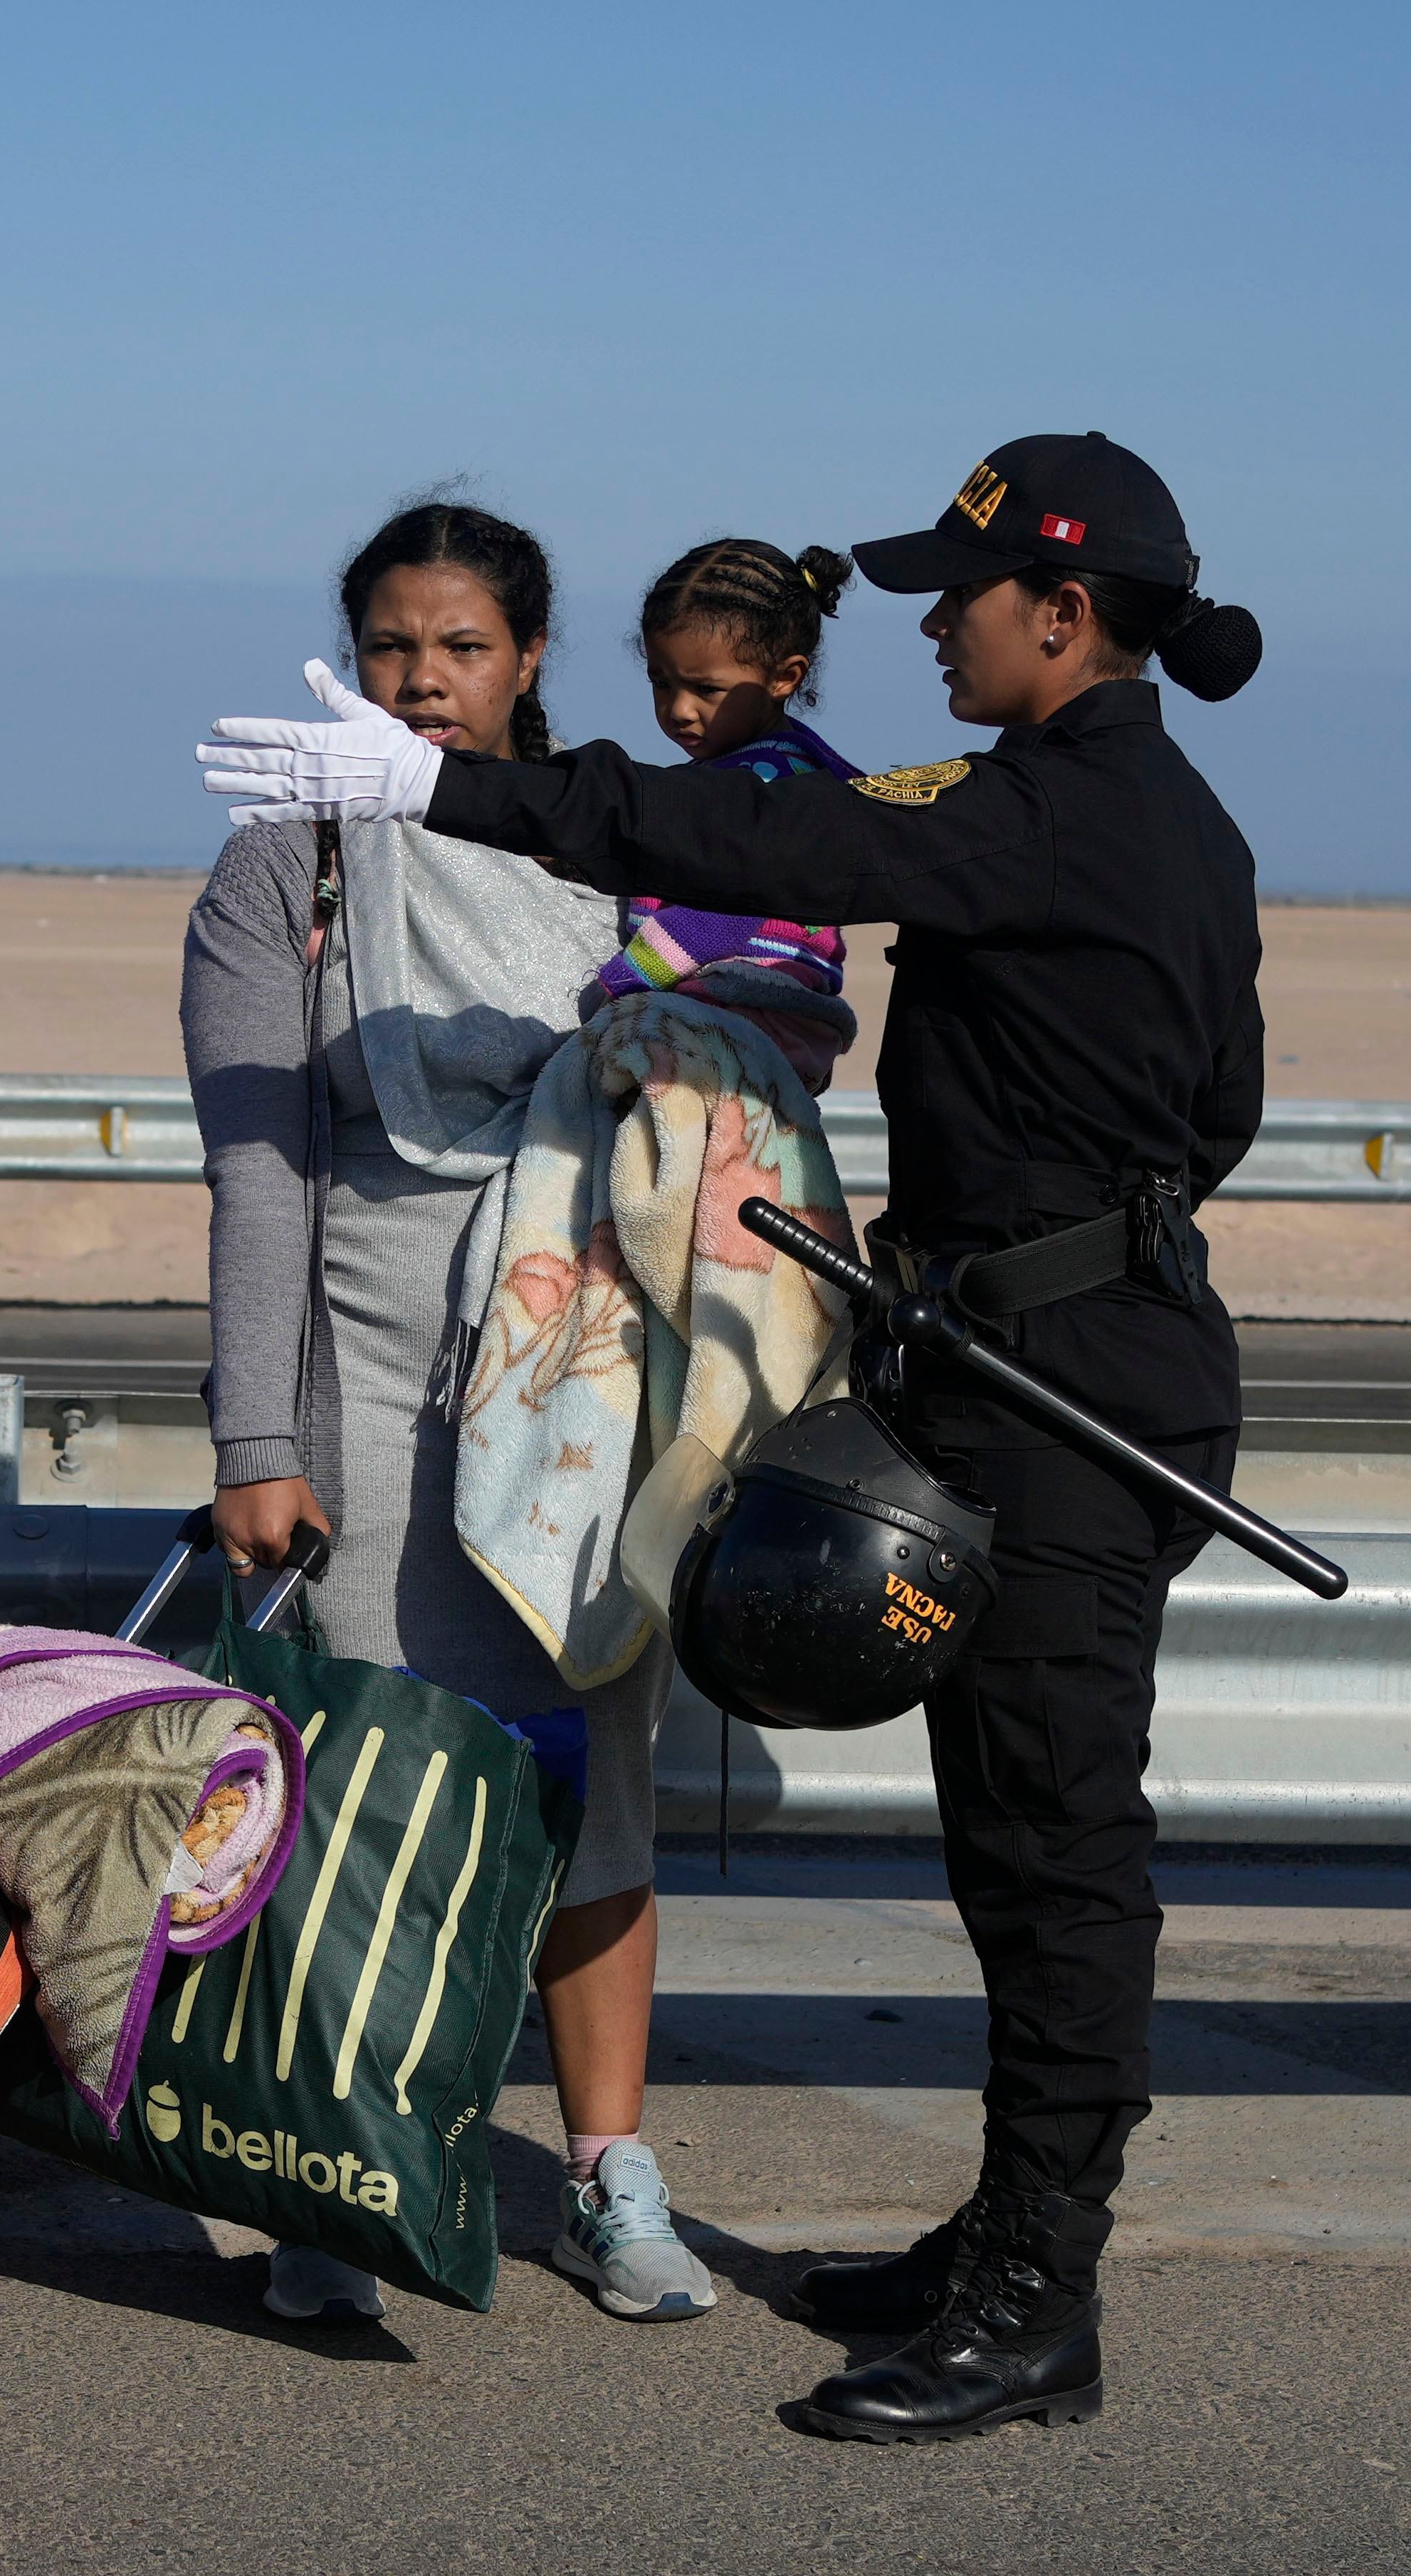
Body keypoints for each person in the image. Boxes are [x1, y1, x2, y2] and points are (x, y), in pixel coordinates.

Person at [200, 433, 1264, 2447]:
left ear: (1061, 611)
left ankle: (1040, 2298)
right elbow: (1219, 1101)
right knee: (1007, 1842)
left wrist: (437, 788)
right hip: (1031, 1349)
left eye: (959, 596)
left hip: (1063, 1386)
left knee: (1051, 1853)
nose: (930, 627)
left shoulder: (1056, 811)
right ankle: (1001, 2236)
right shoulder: (1105, 808)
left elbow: (770, 846)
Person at [180, 501, 713, 2324]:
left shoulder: (616, 842)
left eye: (459, 646)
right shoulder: (287, 864)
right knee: (352, 1793)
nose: (421, 676)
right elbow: (257, 1170)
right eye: (392, 644)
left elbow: (751, 1059)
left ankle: (606, 2173)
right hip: (366, 1387)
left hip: (580, 1382)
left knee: (593, 1787)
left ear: (530, 658)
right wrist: (258, 1438)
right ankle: (334, 2170)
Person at [587, 538, 871, 1089]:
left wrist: (620, 984)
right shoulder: (789, 768)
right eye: (661, 682)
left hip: (742, 1010)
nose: (678, 709)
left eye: (706, 688)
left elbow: (726, 912)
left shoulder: (766, 789)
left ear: (784, 677)